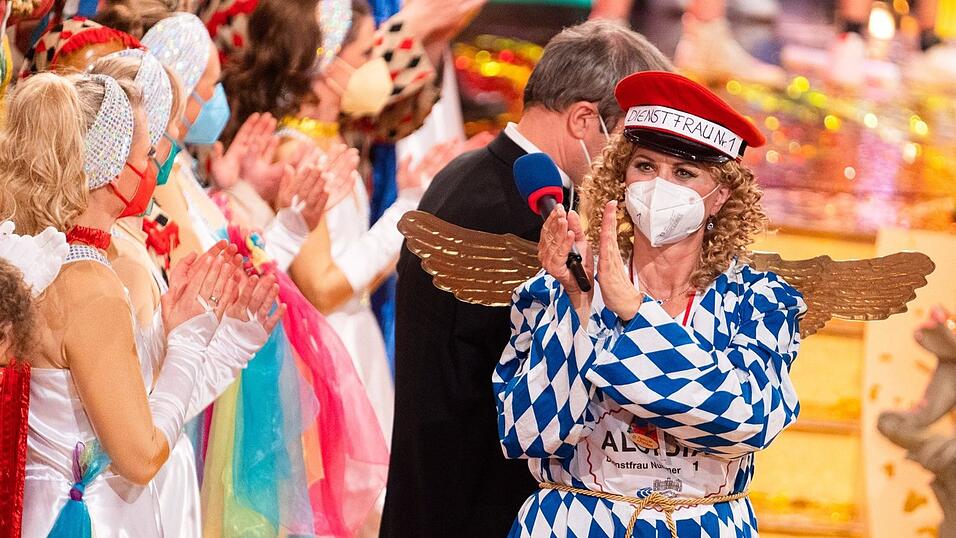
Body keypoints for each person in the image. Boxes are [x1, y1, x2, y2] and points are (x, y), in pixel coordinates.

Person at [382, 20, 673, 537]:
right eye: (631, 142)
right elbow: (540, 393)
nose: (634, 165)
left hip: (435, 492)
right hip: (478, 506)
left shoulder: (469, 173)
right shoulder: (531, 219)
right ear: (585, 120)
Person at [494, 70, 806, 537]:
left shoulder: (759, 301)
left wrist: (635, 315)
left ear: (721, 195)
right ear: (621, 176)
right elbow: (527, 433)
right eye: (644, 166)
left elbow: (743, 421)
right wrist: (576, 304)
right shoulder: (560, 285)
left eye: (684, 172)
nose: (660, 185)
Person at [0, 71, 252, 537]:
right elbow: (140, 456)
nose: (157, 163)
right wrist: (190, 344)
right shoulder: (88, 285)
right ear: (114, 167)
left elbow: (91, 395)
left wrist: (163, 333)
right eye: (148, 152)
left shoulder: (46, 256)